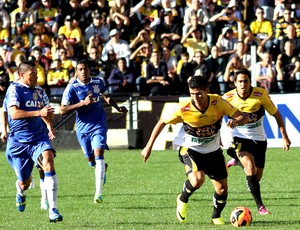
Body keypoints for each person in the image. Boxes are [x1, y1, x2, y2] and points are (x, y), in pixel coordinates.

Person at [141, 76, 248, 225]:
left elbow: (244, 117)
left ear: (206, 91)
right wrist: (148, 147)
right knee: (197, 180)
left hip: (213, 151)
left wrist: (236, 121)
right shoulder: (184, 108)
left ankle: (216, 217)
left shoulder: (218, 103)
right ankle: (182, 198)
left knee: (222, 189)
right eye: (192, 94)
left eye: (199, 93)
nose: (195, 97)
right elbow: (161, 122)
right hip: (190, 149)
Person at [223, 68, 291, 215]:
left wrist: (284, 137)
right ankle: (260, 206)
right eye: (240, 81)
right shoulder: (227, 98)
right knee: (250, 168)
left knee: (256, 177)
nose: (243, 84)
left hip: (259, 139)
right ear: (234, 83)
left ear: (250, 82)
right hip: (238, 137)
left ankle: (236, 161)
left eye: (245, 81)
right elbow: (215, 116)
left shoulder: (260, 95)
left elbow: (277, 115)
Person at [60, 59, 128, 204]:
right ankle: (102, 168)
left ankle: (98, 194)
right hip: (82, 128)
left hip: (99, 124)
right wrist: (82, 103)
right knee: (91, 160)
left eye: (85, 69)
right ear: (76, 72)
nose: (83, 72)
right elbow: (62, 110)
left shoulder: (98, 82)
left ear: (89, 70)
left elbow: (106, 96)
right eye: (80, 70)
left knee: (99, 153)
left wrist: (117, 107)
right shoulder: (72, 87)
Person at [4, 60, 63, 222]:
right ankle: (20, 191)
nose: (37, 77)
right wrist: (39, 112)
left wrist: (50, 123)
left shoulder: (39, 91)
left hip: (38, 137)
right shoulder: (14, 89)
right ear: (22, 75)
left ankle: (53, 210)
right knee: (25, 182)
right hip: (18, 142)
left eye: (38, 73)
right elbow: (14, 114)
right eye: (33, 74)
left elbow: (45, 111)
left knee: (48, 161)